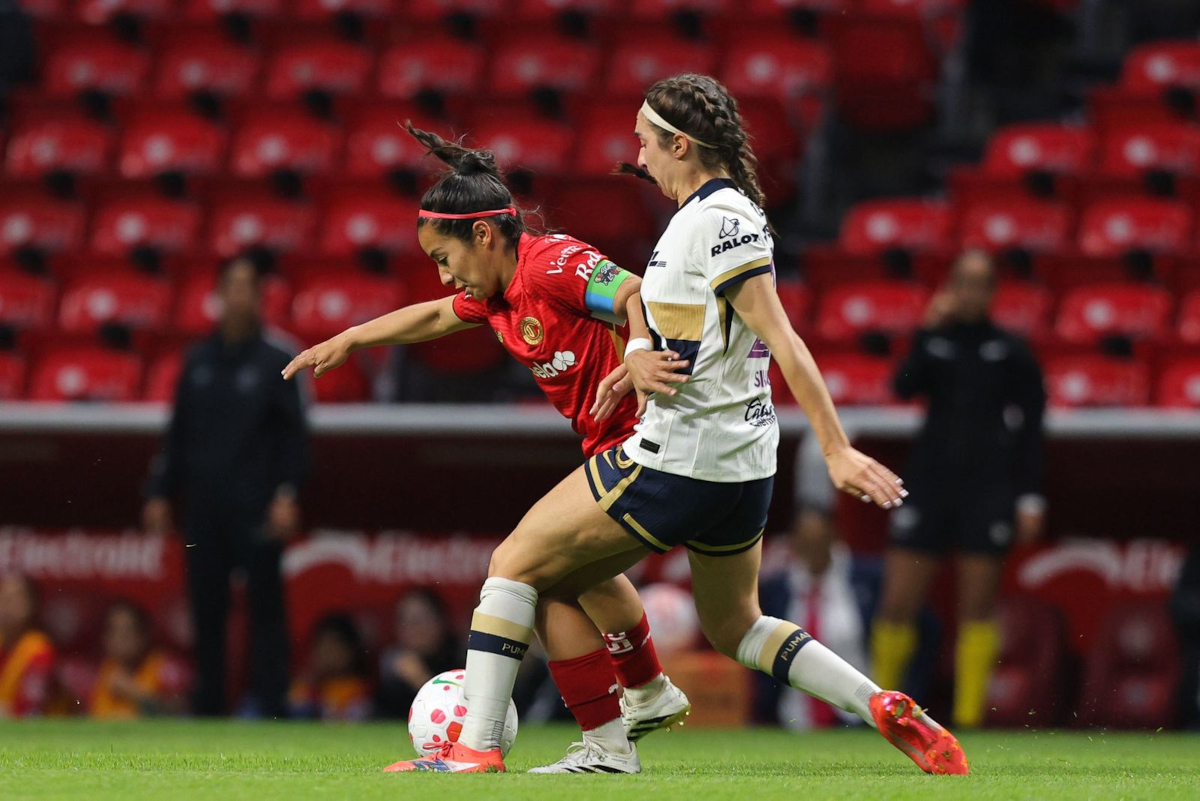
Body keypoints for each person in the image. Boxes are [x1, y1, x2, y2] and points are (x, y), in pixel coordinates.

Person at [384, 73, 968, 776]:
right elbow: (702, 332)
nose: (639, 154)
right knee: (732, 624)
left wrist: (837, 447)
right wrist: (639, 361)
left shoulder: (714, 221)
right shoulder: (718, 218)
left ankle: (476, 748)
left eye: (644, 141)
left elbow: (782, 337)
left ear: (680, 145)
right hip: (743, 466)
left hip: (678, 454)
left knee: (513, 563)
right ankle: (876, 702)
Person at [283, 124, 689, 774]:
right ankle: (629, 719)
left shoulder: (549, 264)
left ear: (481, 234)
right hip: (610, 447)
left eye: (445, 258)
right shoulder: (496, 296)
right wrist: (353, 338)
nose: (446, 276)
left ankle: (477, 747)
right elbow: (435, 315)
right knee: (561, 580)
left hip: (649, 445)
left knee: (512, 563)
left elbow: (636, 291)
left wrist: (637, 353)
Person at [871, 249, 1047, 729]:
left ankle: (968, 719)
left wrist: (1030, 496)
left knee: (977, 606)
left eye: (980, 283)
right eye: (962, 282)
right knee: (898, 601)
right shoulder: (934, 342)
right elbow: (902, 388)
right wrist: (926, 331)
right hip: (929, 484)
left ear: (992, 292)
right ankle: (880, 714)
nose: (970, 292)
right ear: (950, 287)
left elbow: (1032, 430)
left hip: (988, 490)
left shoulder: (1011, 351)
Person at [143, 257, 311, 718]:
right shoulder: (197, 359)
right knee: (207, 608)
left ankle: (273, 705)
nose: (239, 296)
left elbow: (294, 439)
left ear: (260, 297)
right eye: (230, 286)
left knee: (265, 608)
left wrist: (287, 494)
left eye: (247, 287)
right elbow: (177, 433)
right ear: (217, 296)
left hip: (256, 506)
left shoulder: (280, 360)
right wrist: (159, 491)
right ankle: (211, 707)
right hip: (202, 507)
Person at [754, 433, 869, 730]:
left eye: (819, 543)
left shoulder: (867, 581)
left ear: (833, 537)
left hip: (857, 725)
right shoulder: (776, 590)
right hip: (792, 722)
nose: (813, 553)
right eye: (806, 544)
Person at [89, 601, 189, 719]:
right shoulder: (101, 671)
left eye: (128, 631)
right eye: (115, 631)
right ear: (105, 638)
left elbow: (183, 714)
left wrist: (138, 695)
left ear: (144, 634)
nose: (122, 639)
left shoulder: (163, 667)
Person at [375, 588, 462, 719]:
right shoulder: (392, 663)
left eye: (421, 619)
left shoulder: (461, 657)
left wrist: (421, 680)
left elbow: (461, 711)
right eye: (406, 620)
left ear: (441, 620)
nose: (415, 628)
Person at [289, 614, 373, 721]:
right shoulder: (309, 685)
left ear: (351, 650)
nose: (327, 653)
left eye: (334, 646)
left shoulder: (360, 688)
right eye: (323, 646)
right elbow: (292, 702)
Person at [0, 573, 57, 718]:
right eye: (3, 596)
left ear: (31, 604)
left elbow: (31, 711)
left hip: (27, 733)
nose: (7, 603)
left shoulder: (38, 648)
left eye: (16, 597)